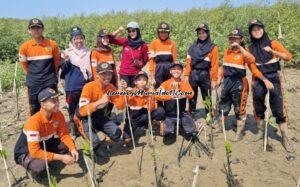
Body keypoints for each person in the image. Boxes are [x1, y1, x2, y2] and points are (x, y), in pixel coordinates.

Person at [216, 28, 274, 142]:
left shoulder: (245, 52)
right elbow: (223, 67)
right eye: (231, 38)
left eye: (235, 39)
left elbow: (252, 60)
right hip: (226, 82)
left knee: (239, 110)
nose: (233, 40)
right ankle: (219, 127)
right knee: (223, 107)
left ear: (241, 39)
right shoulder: (227, 51)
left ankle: (239, 133)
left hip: (239, 83)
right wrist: (219, 79)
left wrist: (265, 80)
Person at [248, 19, 294, 152]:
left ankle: (285, 137)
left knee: (279, 109)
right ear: (251, 32)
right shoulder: (249, 49)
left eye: (259, 28)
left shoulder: (273, 43)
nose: (257, 31)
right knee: (258, 107)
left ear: (263, 29)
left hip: (274, 77)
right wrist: (264, 80)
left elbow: (288, 56)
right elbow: (253, 69)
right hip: (258, 79)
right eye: (254, 29)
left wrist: (274, 52)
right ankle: (262, 134)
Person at [14, 88, 78, 177]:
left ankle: (47, 156)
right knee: (39, 166)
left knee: (68, 145)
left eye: (57, 100)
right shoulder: (34, 122)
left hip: (43, 143)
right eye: (53, 101)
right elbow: (35, 152)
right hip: (27, 151)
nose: (57, 103)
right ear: (43, 104)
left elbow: (64, 134)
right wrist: (62, 157)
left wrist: (73, 149)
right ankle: (30, 166)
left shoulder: (58, 114)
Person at [74, 62, 126, 154]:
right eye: (103, 74)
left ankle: (99, 143)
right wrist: (99, 102)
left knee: (117, 132)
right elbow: (82, 111)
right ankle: (89, 147)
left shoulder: (111, 87)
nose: (107, 76)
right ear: (97, 75)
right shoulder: (88, 87)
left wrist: (122, 92)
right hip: (84, 118)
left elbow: (120, 106)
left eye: (109, 73)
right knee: (94, 143)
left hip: (99, 117)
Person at [19, 18, 60, 115]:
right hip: (34, 83)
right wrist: (33, 78)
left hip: (49, 82)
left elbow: (56, 63)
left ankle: (53, 127)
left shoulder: (52, 44)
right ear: (29, 31)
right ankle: (36, 128)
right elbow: (24, 67)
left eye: (38, 27)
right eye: (33, 28)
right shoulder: (24, 47)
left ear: (43, 29)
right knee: (34, 108)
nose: (36, 30)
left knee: (52, 106)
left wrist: (51, 77)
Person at [60, 26, 92, 138]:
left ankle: (85, 129)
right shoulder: (66, 52)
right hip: (72, 87)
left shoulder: (89, 51)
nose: (79, 41)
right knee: (72, 109)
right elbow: (63, 70)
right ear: (72, 40)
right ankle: (74, 131)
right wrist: (66, 61)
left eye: (81, 38)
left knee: (84, 107)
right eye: (76, 38)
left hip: (86, 85)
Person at [184, 22, 219, 115]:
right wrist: (186, 76)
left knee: (207, 96)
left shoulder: (213, 48)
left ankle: (209, 115)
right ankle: (191, 114)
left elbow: (215, 65)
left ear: (208, 33)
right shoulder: (192, 47)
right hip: (193, 74)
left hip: (205, 75)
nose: (201, 35)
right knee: (191, 96)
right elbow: (188, 63)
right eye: (199, 33)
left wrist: (214, 80)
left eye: (204, 33)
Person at [155, 63, 197, 140]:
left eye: (179, 69)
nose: (176, 71)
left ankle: (183, 127)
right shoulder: (166, 83)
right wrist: (170, 96)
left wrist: (180, 89)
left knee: (192, 132)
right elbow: (157, 95)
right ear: (170, 71)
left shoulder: (184, 83)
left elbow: (191, 94)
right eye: (174, 69)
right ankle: (171, 127)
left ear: (182, 71)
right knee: (167, 133)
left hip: (182, 113)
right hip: (169, 114)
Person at [123, 71, 165, 143]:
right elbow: (120, 103)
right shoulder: (130, 91)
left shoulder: (150, 90)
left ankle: (155, 122)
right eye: (139, 80)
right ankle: (126, 129)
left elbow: (162, 94)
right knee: (127, 140)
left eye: (144, 79)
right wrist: (123, 90)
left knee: (160, 111)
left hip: (145, 117)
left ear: (147, 82)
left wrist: (155, 91)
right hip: (133, 120)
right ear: (135, 82)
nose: (142, 82)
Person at [109, 22, 148, 88]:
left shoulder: (143, 45)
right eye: (129, 31)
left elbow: (145, 59)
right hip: (124, 74)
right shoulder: (125, 41)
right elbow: (110, 39)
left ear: (137, 31)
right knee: (125, 95)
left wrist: (139, 66)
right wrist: (118, 30)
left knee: (135, 95)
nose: (131, 33)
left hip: (136, 74)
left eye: (133, 30)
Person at [91, 28, 120, 117]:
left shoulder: (110, 50)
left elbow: (114, 67)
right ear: (99, 39)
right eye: (103, 38)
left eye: (107, 38)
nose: (106, 40)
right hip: (102, 81)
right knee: (102, 101)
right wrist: (98, 83)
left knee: (112, 99)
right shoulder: (95, 52)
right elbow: (94, 69)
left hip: (112, 80)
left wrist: (117, 79)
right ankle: (100, 119)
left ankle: (108, 116)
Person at [148, 22, 177, 89]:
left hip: (170, 70)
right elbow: (151, 61)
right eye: (161, 32)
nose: (163, 34)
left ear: (168, 33)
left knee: (169, 91)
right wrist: (152, 76)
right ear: (158, 33)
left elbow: (174, 61)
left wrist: (175, 75)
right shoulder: (153, 43)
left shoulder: (172, 44)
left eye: (165, 32)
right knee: (158, 92)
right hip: (158, 70)